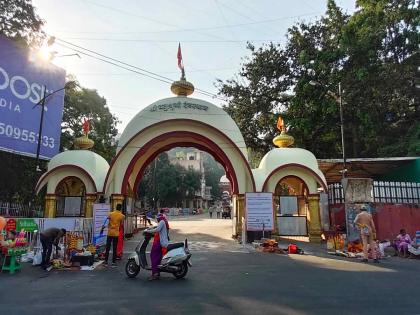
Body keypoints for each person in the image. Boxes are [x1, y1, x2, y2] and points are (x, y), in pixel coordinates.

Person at [148, 213, 169, 280]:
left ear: (159, 218)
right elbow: (157, 228)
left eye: (157, 218)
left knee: (153, 256)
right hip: (160, 242)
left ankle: (155, 273)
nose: (156, 219)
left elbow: (157, 230)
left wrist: (149, 231)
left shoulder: (162, 221)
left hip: (159, 242)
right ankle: (157, 271)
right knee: (158, 257)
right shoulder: (163, 221)